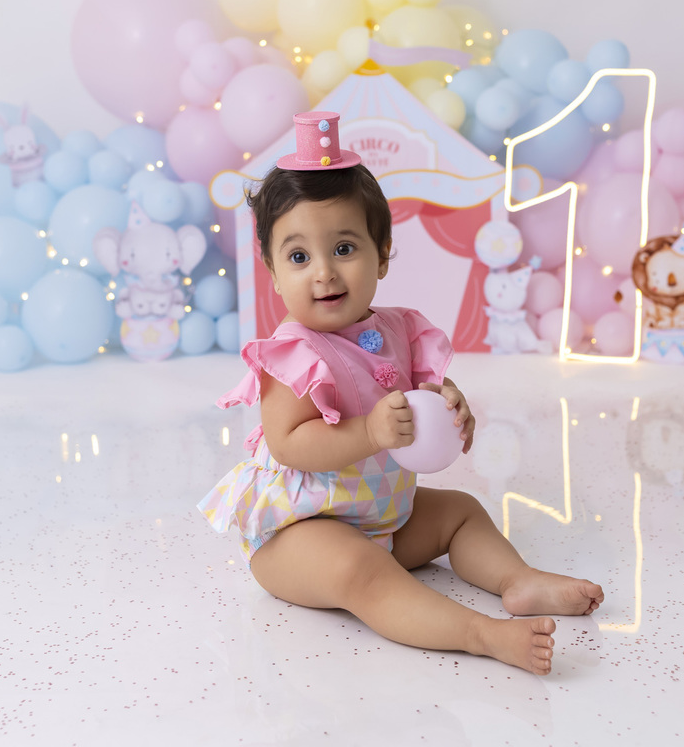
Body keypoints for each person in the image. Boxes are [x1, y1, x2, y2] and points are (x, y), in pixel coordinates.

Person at [198, 112, 603, 676]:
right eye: (298, 257)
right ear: (271, 270)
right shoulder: (290, 354)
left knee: (461, 511)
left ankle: (517, 581)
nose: (324, 273)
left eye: (344, 248)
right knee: (361, 571)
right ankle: (480, 635)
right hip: (301, 533)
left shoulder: (399, 329)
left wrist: (452, 405)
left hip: (386, 513)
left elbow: (425, 395)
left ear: (383, 253)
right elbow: (289, 444)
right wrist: (367, 432)